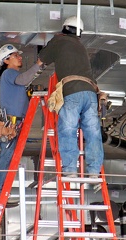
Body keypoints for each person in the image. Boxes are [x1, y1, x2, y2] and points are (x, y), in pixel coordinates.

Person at [38, 16, 104, 178]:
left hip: (72, 91)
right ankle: (94, 171)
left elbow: (42, 59)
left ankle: (70, 169)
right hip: (90, 93)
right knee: (93, 132)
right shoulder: (80, 46)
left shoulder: (59, 40)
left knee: (67, 130)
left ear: (64, 28)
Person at [0, 44, 43, 206]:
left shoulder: (12, 77)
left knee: (7, 160)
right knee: (5, 161)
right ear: (6, 60)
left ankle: (0, 193)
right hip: (10, 125)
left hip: (13, 125)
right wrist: (38, 65)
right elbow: (24, 79)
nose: (20, 57)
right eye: (15, 55)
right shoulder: (9, 73)